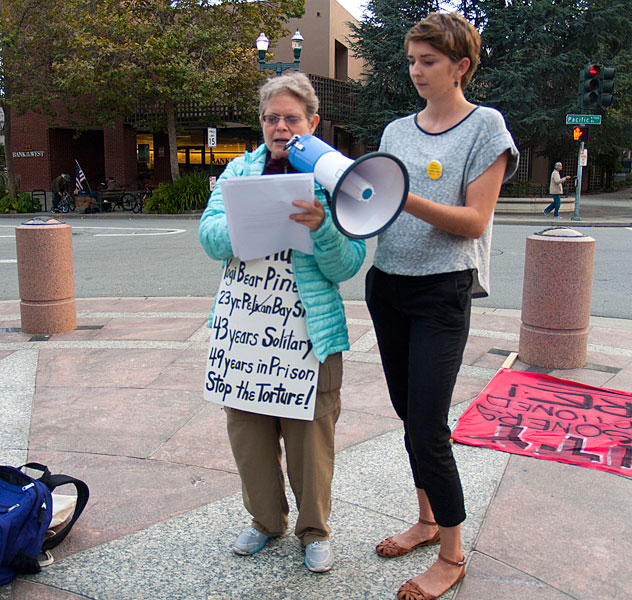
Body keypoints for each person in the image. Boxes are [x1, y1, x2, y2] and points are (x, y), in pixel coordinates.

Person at [365, 13, 518, 600]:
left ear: (461, 66)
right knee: (409, 415)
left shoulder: (487, 127)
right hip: (388, 283)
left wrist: (405, 197)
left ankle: (452, 555)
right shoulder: (396, 130)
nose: (416, 71)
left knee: (429, 425)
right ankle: (426, 521)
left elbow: (475, 222)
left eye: (428, 61)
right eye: (411, 60)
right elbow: (376, 206)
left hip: (442, 290)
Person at [198, 71, 366, 573]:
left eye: (292, 118)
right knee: (248, 437)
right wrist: (247, 223)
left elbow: (347, 264)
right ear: (262, 124)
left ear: (312, 122)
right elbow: (209, 237)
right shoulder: (237, 171)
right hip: (247, 332)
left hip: (308, 338)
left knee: (310, 440)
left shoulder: (333, 178)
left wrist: (324, 229)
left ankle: (314, 531)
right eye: (272, 118)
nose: (281, 127)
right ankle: (266, 521)